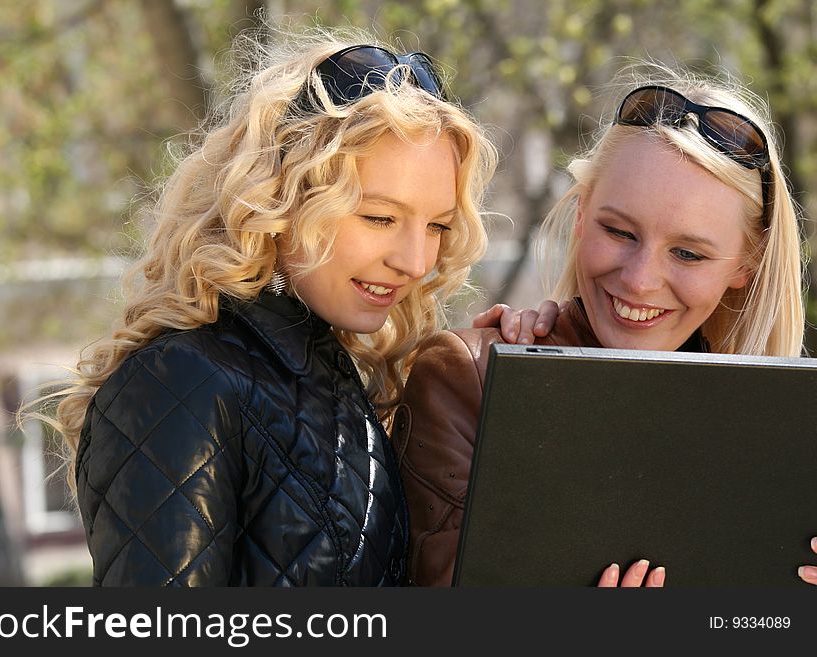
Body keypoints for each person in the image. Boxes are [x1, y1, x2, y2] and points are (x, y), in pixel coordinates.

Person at [44, 26, 500, 586]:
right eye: (379, 217)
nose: (413, 260)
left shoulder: (340, 383)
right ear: (279, 195)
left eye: (437, 226)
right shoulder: (181, 382)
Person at [394, 68, 811, 587]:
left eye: (687, 253)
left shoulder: (788, 434)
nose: (639, 281)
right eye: (618, 231)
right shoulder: (475, 379)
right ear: (581, 214)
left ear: (744, 264)